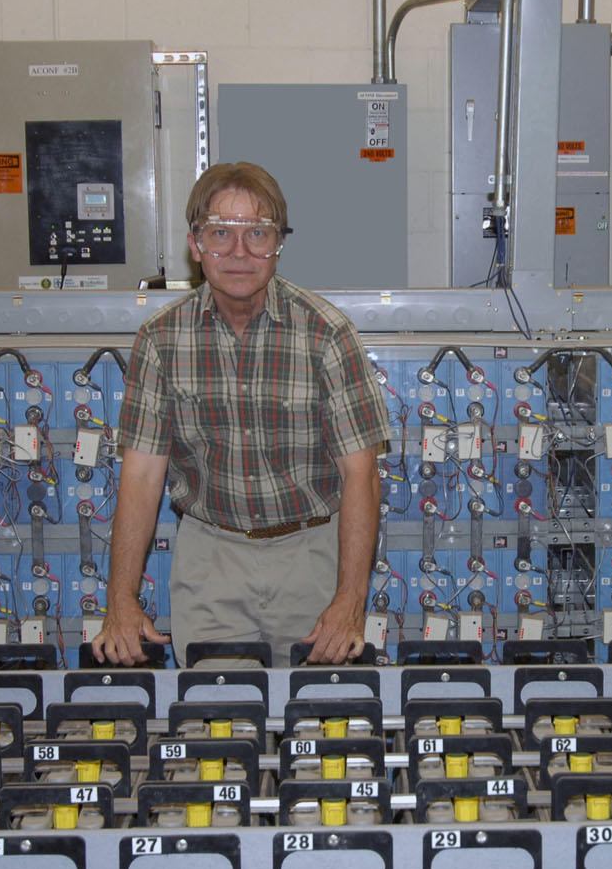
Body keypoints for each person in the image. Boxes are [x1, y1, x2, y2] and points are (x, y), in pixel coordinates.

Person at [87, 163, 388, 667]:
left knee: (322, 725)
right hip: (211, 559)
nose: (239, 252)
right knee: (218, 725)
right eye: (220, 233)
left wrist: (348, 601)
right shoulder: (161, 340)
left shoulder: (327, 334)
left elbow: (361, 474)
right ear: (195, 244)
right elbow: (140, 475)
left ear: (278, 243)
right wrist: (121, 600)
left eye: (258, 233)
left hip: (312, 555)